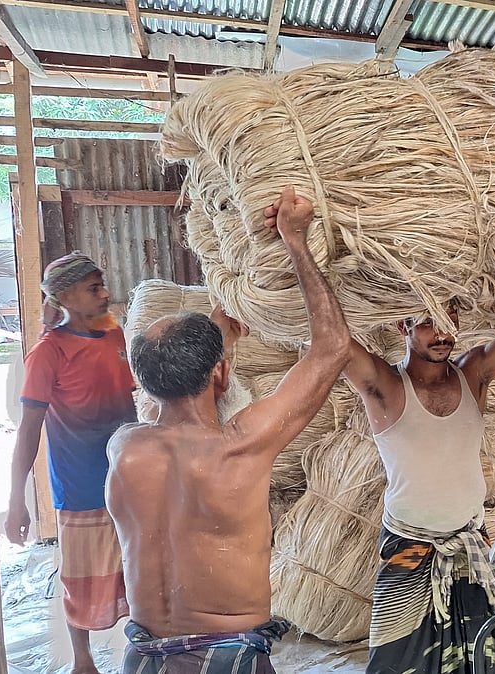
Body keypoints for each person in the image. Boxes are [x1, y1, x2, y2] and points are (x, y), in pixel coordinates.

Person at [106, 186, 353, 673]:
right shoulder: (240, 447)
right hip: (225, 655)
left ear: (146, 381)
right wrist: (295, 241)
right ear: (221, 375)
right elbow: (332, 347)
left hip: (143, 655)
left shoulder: (124, 447)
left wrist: (218, 341)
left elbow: (172, 412)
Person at [336, 303, 495, 673]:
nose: (441, 333)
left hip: (470, 545)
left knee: (478, 662)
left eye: (448, 318)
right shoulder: (385, 385)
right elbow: (336, 340)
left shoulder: (474, 373)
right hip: (408, 549)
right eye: (427, 322)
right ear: (402, 324)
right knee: (398, 664)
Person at [6, 251, 136, 674]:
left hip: (130, 476)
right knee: (80, 575)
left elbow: (134, 393)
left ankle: (144, 647)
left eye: (102, 284)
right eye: (94, 288)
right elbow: (28, 430)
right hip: (80, 482)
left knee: (137, 566)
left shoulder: (115, 336)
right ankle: (83, 662)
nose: (106, 294)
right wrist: (17, 501)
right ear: (65, 296)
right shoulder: (48, 353)